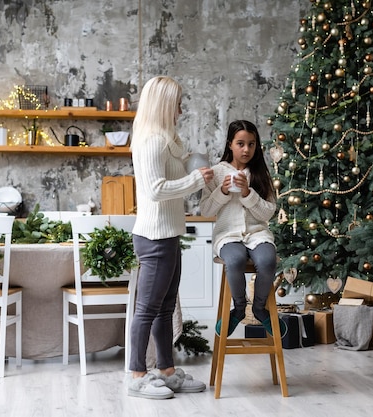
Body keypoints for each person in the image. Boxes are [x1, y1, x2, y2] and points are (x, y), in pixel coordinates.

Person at [128, 76, 214, 400]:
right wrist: (194, 180)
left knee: (164, 310)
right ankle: (137, 375)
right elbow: (155, 189)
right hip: (154, 237)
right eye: (177, 102)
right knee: (147, 309)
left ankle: (166, 371)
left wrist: (193, 171)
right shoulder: (150, 140)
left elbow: (171, 178)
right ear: (164, 104)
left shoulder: (168, 139)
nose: (180, 108)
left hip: (169, 234)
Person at [200, 120, 286, 338]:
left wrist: (248, 193)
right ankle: (239, 308)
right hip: (227, 235)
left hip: (257, 234)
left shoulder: (260, 174)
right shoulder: (216, 172)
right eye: (240, 143)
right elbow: (205, 211)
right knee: (235, 260)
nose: (246, 149)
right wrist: (222, 191)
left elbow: (268, 213)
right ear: (230, 144)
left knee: (267, 260)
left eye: (251, 144)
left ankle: (258, 308)